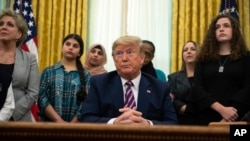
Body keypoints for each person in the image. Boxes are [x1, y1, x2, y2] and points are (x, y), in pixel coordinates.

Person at [77, 35, 177, 125]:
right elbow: (86, 118)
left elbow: (172, 122)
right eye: (119, 54)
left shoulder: (160, 87)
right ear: (114, 59)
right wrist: (114, 123)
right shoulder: (99, 83)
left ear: (142, 58)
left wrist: (148, 124)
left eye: (130, 52)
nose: (124, 58)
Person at [192, 14, 250, 125]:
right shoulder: (203, 58)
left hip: (237, 116)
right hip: (206, 116)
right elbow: (197, 88)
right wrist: (221, 109)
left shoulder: (246, 57)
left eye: (226, 26)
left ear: (235, 30)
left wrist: (229, 115)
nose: (221, 29)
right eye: (217, 27)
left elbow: (247, 88)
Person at [38, 34, 91, 122]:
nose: (70, 48)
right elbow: (42, 99)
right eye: (68, 44)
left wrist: (70, 126)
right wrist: (59, 121)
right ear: (62, 48)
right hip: (49, 128)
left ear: (79, 53)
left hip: (75, 129)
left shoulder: (86, 76)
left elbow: (85, 104)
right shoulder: (48, 71)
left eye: (75, 46)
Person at [0, 8, 39, 121]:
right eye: (1, 24)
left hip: (18, 120)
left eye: (10, 24)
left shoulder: (29, 59)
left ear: (18, 34)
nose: (3, 27)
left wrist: (9, 115)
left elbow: (33, 92)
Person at [168, 41, 199, 125]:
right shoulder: (173, 77)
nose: (189, 52)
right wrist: (182, 107)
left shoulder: (206, 76)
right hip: (180, 121)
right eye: (185, 50)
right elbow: (169, 99)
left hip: (202, 120)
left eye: (193, 49)